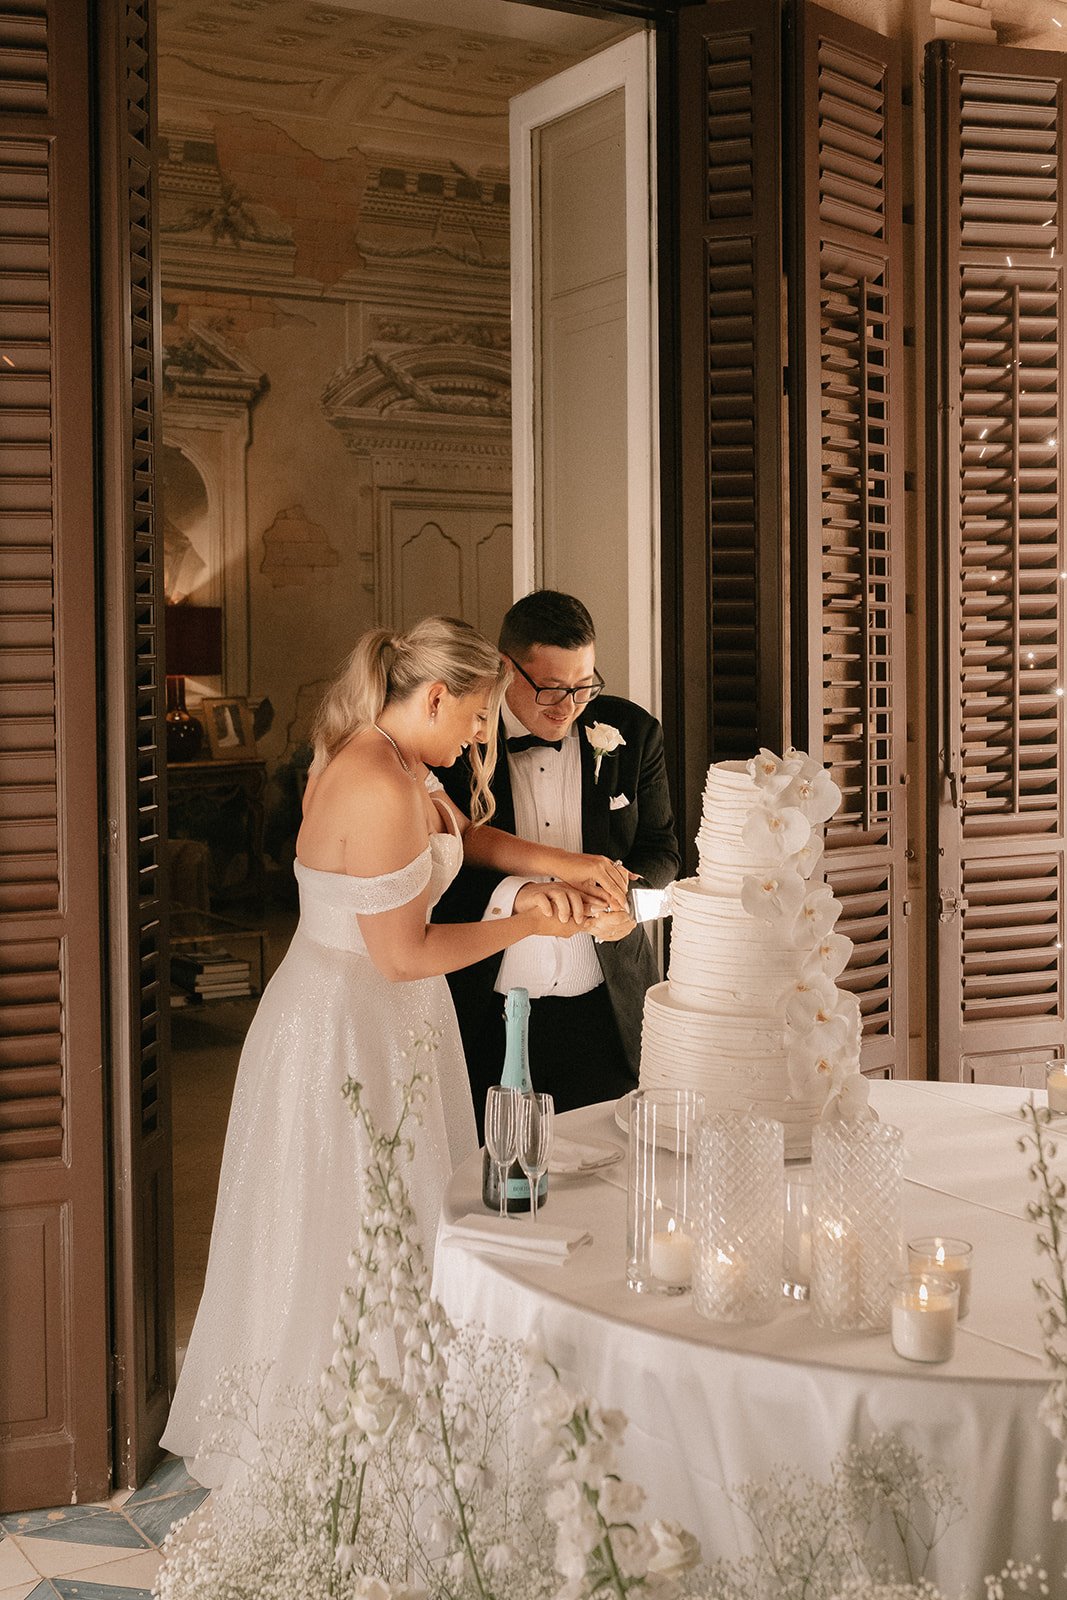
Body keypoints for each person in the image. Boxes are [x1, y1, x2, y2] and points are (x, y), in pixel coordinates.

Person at [161, 615, 628, 1489]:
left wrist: (572, 865)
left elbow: (469, 840)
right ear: (437, 694)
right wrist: (530, 918)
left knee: (413, 1216)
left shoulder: (401, 755)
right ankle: (343, 1446)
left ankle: (416, 1415)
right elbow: (401, 954)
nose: (483, 735)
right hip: (345, 1026)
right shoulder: (372, 778)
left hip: (396, 1018)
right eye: (478, 717)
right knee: (351, 1230)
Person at [433, 590, 680, 1132]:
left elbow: (663, 853)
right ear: (505, 669)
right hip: (486, 1007)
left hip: (608, 1009)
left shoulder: (634, 734)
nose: (569, 707)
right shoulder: (457, 740)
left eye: (583, 687)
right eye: (551, 689)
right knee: (498, 1182)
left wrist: (634, 907)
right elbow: (436, 875)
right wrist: (516, 897)